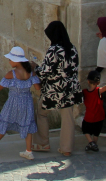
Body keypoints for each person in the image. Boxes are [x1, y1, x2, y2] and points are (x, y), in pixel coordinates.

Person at [33, 21, 83, 156]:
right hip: (71, 89)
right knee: (67, 118)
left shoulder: (54, 50)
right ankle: (66, 148)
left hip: (54, 89)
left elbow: (45, 71)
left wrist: (34, 67)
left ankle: (42, 143)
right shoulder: (72, 48)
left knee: (41, 113)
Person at [0, 46, 41, 160]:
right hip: (27, 102)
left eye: (10, 59)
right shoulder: (31, 73)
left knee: (5, 121)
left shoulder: (11, 74)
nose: (9, 61)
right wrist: (34, 72)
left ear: (16, 61)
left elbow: (0, 87)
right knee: (27, 124)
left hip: (13, 102)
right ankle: (29, 151)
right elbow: (38, 87)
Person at [82, 71, 106, 152]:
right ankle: (94, 144)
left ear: (88, 81)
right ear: (98, 82)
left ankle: (91, 142)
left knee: (85, 129)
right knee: (96, 133)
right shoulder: (98, 91)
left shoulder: (85, 92)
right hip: (99, 117)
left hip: (89, 117)